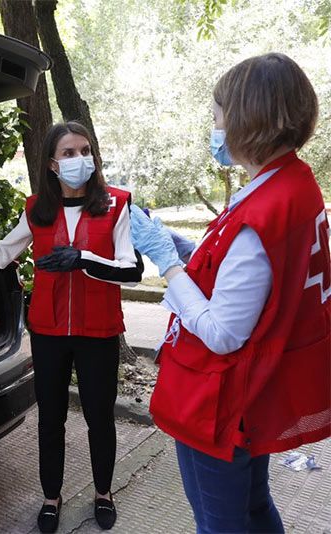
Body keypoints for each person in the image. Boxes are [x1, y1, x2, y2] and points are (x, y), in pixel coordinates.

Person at [130, 53, 330, 533]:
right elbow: (253, 273)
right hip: (256, 389)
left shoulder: (263, 210)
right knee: (254, 508)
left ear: (247, 119)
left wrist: (169, 262)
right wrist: (191, 250)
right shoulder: (293, 183)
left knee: (220, 524)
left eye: (217, 115)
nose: (214, 126)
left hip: (221, 398)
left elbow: (222, 331)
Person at [0, 121, 143, 532]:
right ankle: (50, 499)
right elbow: (0, 255)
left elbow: (130, 270)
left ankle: (103, 493)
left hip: (99, 332)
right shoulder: (36, 208)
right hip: (50, 332)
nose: (79, 159)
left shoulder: (116, 204)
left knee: (99, 418)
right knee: (50, 419)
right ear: (53, 164)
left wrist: (83, 261)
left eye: (85, 150)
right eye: (69, 153)